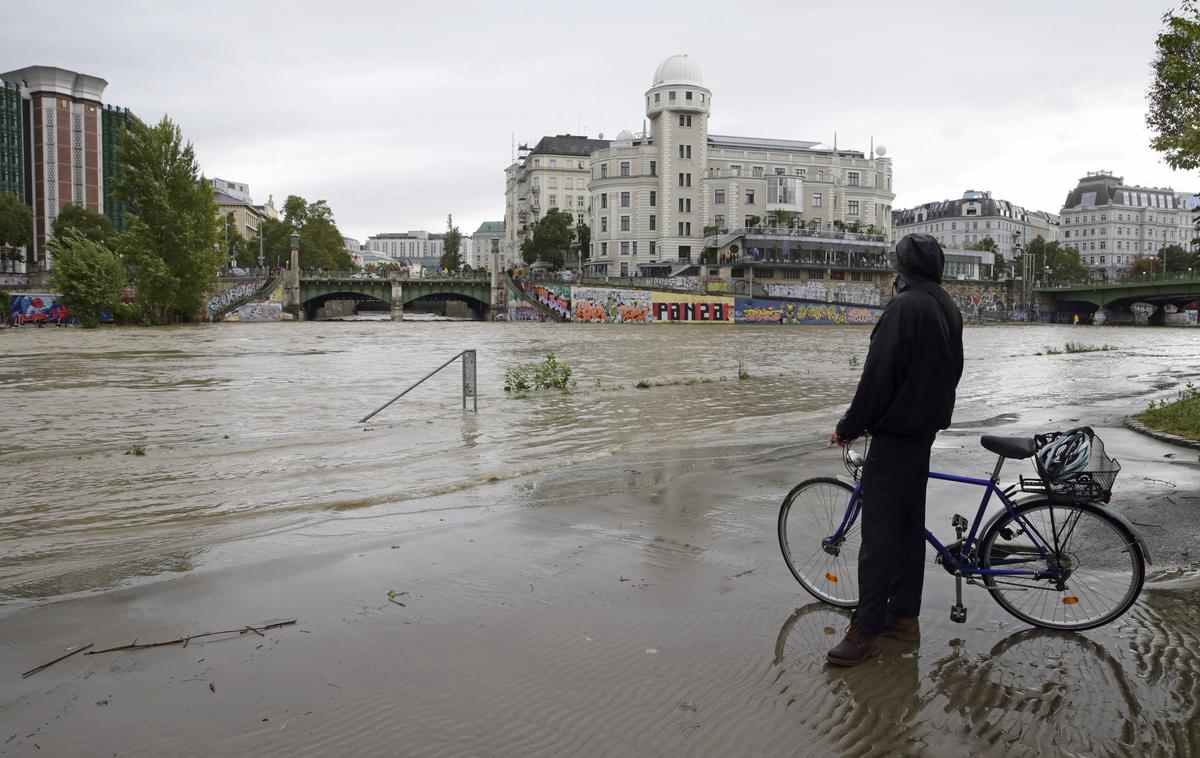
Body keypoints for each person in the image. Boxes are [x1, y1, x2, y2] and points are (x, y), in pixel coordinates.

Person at [826, 233, 964, 667]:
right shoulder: (946, 305)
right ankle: (904, 617)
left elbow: (877, 378)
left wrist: (849, 426)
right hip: (923, 432)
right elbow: (954, 369)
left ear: (902, 269)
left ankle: (865, 630)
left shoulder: (904, 308)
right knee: (907, 531)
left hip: (895, 435)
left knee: (879, 538)